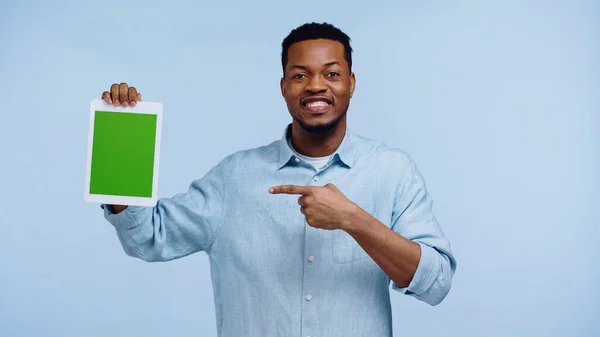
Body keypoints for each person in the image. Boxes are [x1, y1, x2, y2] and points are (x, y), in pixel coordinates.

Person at [100, 22, 456, 337]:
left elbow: (436, 283)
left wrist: (352, 219)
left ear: (351, 83)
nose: (316, 86)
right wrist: (122, 142)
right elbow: (148, 238)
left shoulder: (392, 171)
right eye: (301, 75)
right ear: (284, 87)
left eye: (331, 74)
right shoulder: (234, 177)